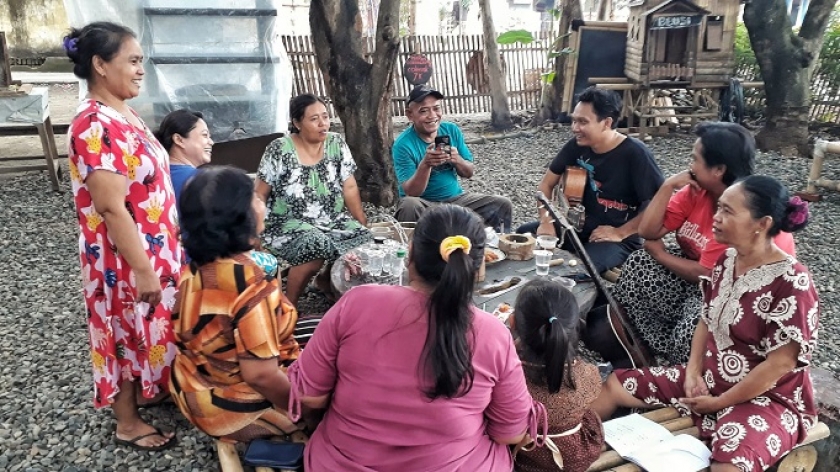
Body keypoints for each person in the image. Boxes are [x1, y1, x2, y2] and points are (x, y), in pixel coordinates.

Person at [284, 204, 544, 470]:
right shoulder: (493, 334)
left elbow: (310, 396)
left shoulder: (357, 302)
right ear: (476, 268)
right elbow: (509, 434)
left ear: (411, 253)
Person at [592, 176, 818, 472]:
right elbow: (705, 320)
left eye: (727, 211)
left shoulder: (793, 282)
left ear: (761, 224)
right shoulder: (727, 260)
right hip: (711, 381)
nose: (716, 218)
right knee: (615, 384)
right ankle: (566, 449)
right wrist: (693, 373)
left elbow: (779, 366)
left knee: (729, 464)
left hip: (768, 398)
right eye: (718, 208)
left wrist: (720, 401)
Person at [64, 22, 181, 451]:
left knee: (146, 325)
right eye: (132, 61)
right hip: (123, 258)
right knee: (122, 328)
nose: (139, 70)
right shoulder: (94, 124)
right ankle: (127, 422)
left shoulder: (121, 112)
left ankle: (153, 388)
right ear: (99, 64)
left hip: (152, 248)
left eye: (140, 62)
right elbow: (112, 207)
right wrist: (144, 269)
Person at [608, 122, 796, 365]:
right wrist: (667, 186)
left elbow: (708, 274)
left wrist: (661, 255)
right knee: (639, 263)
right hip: (706, 279)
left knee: (693, 327)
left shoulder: (741, 214)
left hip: (741, 296)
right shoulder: (698, 190)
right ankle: (649, 350)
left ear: (718, 169)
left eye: (695, 158)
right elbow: (648, 231)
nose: (691, 166)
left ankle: (686, 371)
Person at [169, 166, 304, 442]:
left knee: (325, 330)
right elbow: (261, 376)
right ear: (240, 216)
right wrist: (306, 411)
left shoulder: (199, 266)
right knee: (347, 388)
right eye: (254, 197)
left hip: (194, 384)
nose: (261, 201)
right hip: (230, 409)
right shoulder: (250, 284)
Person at [518, 87, 664, 274]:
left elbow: (659, 203)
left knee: (579, 269)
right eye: (574, 121)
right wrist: (546, 222)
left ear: (606, 123)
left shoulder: (636, 154)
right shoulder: (576, 146)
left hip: (620, 240)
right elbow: (546, 185)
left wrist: (620, 233)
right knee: (522, 235)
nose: (574, 128)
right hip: (577, 227)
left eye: (582, 122)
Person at [256, 93, 370, 307]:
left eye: (325, 117)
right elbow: (260, 193)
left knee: (363, 238)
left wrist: (360, 220)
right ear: (297, 123)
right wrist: (256, 228)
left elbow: (350, 186)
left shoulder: (336, 143)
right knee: (316, 244)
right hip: (286, 223)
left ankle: (325, 280)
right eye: (314, 118)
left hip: (331, 219)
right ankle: (289, 305)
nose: (323, 123)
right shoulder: (279, 149)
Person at [512, 279, 604, 472]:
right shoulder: (588, 373)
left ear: (513, 322)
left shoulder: (512, 380)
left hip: (529, 459)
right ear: (573, 326)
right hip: (578, 456)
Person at [393, 85, 513, 233]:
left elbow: (469, 172)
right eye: (423, 111)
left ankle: (495, 247)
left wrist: (457, 160)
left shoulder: (451, 130)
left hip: (456, 199)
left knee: (502, 204)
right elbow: (412, 192)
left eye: (436, 108)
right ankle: (412, 252)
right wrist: (426, 164)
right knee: (408, 205)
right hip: (424, 204)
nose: (432, 115)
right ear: (410, 115)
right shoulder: (403, 145)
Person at [153, 109, 212, 202]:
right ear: (179, 140)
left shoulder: (155, 174)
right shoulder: (198, 179)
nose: (211, 142)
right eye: (205, 135)